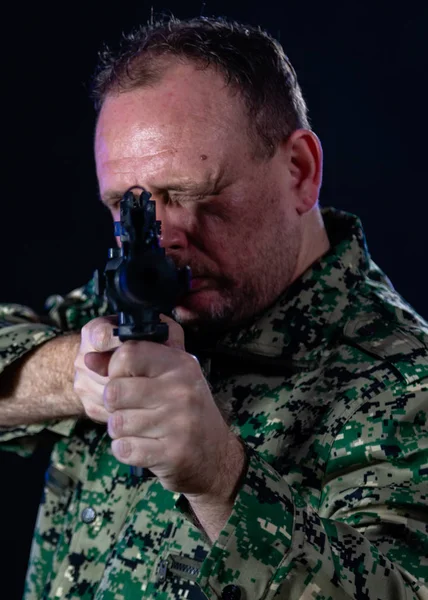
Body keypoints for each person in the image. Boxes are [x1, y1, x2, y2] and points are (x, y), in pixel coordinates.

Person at [0, 15, 427, 600]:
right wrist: (77, 373)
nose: (163, 237)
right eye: (126, 206)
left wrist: (222, 482)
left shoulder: (407, 384)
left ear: (300, 172)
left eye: (192, 195)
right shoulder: (132, 301)